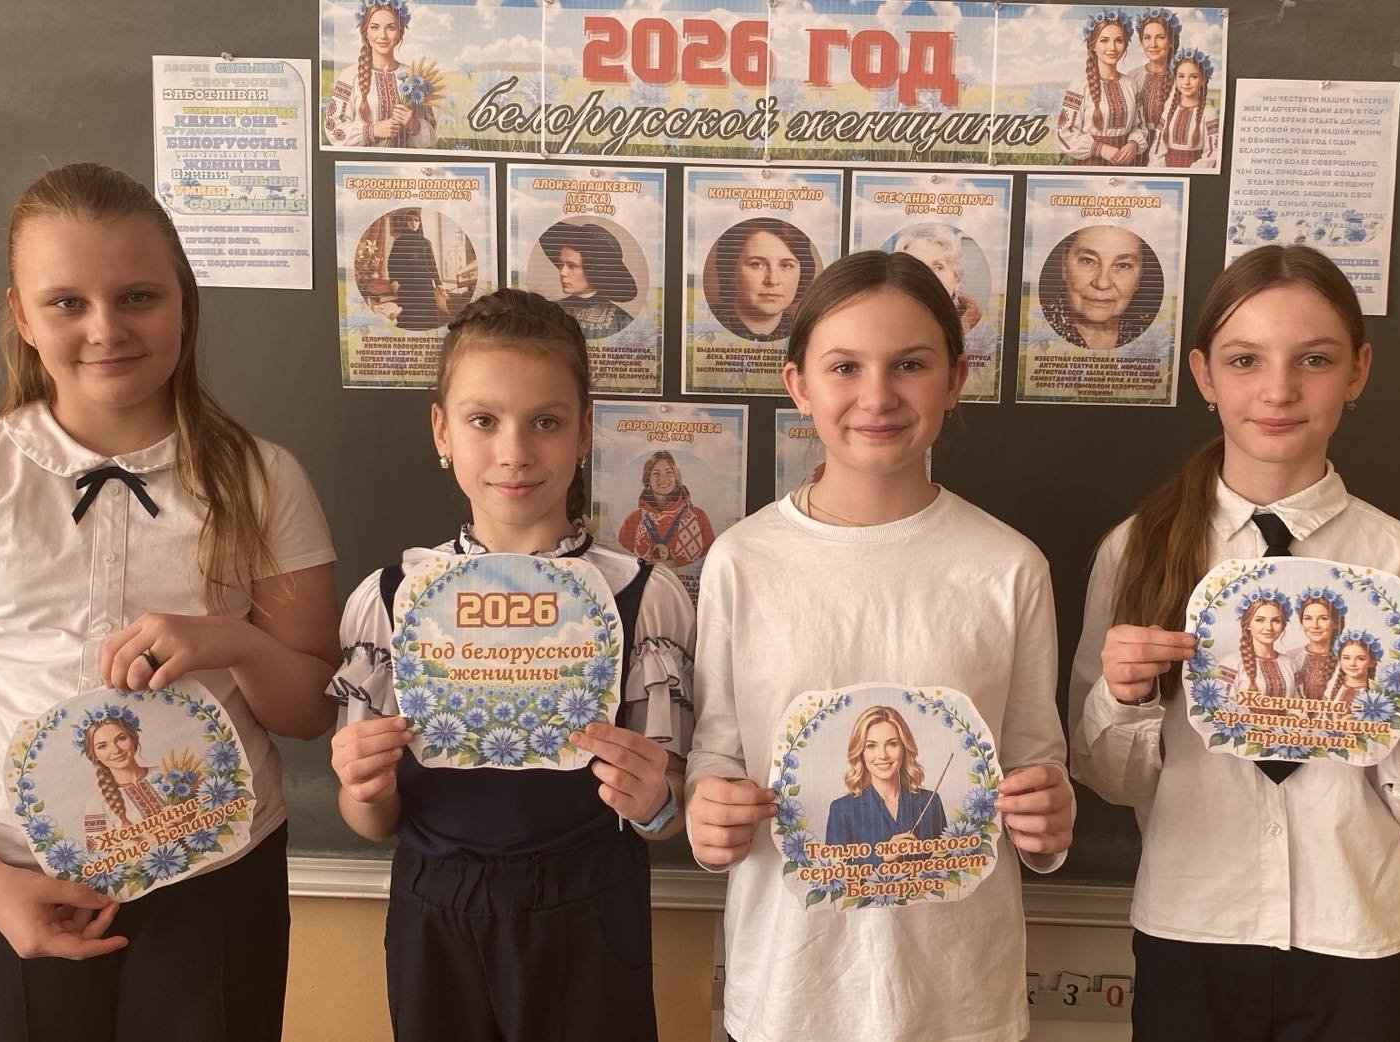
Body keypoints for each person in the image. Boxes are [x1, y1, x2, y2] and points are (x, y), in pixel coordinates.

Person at [0, 162, 339, 1042]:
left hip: (214, 875)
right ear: (22, 316)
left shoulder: (263, 479)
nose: (105, 329)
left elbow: (314, 708)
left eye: (137, 297)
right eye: (66, 303)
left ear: (184, 304)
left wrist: (233, 641)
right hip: (7, 875)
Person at [1069, 244, 1400, 1042]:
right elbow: (1110, 779)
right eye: (1245, 359)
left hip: (1358, 933)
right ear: (1204, 376)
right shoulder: (1138, 550)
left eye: (1313, 360)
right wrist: (1124, 697)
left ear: (1357, 372)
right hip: (1193, 926)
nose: (1279, 389)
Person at [686, 251, 1074, 1042]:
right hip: (789, 994)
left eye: (910, 365)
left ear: (954, 379)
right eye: (844, 367)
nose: (877, 395)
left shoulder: (1009, 567)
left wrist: (1049, 815)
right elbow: (717, 754)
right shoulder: (742, 561)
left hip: (958, 1000)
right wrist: (707, 813)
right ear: (799, 385)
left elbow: (1036, 763)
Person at [326, 289, 695, 1042]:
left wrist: (656, 800)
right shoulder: (393, 601)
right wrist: (362, 787)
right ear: (442, 430)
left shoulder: (641, 597)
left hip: (589, 902)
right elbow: (370, 820)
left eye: (546, 422)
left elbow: (667, 814)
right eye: (483, 420)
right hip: (436, 906)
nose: (515, 452)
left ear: (585, 431)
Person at [823, 704, 946, 863]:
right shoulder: (842, 810)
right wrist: (882, 856)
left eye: (892, 744)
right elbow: (835, 873)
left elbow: (947, 866)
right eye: (871, 746)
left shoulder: (930, 802)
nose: (882, 755)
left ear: (904, 748)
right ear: (860, 752)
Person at [323, 0, 439, 149]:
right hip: (361, 162)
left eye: (391, 27)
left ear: (400, 32)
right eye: (374, 27)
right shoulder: (349, 75)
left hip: (403, 162)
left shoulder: (414, 78)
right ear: (365, 32)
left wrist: (413, 125)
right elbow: (333, 128)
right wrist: (373, 131)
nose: (383, 35)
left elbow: (431, 135)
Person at [1042, 224, 1158, 350]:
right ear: (1064, 265)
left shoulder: (1150, 334)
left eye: (1123, 265)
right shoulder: (1036, 326)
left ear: (1140, 276)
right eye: (1088, 261)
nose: (1103, 283)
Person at [1057, 11, 1148, 166]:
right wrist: (1100, 149)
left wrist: (1133, 144)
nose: (1112, 47)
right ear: (1093, 45)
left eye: (1119, 40)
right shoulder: (1079, 85)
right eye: (1104, 40)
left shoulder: (1131, 84)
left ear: (1125, 44)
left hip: (1125, 164)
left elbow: (1139, 126)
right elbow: (1064, 134)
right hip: (1089, 166)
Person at [711, 217, 817, 342]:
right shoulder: (705, 323)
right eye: (756, 264)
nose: (772, 280)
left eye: (786, 265)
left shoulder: (808, 331)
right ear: (730, 271)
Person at [78, 710, 167, 846]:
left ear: (133, 738)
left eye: (121, 738)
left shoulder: (168, 773)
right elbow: (98, 852)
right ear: (95, 755)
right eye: (102, 746)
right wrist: (149, 844)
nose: (116, 750)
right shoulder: (96, 805)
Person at [539, 220, 638, 340]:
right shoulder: (549, 312)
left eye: (572, 266)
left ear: (593, 269)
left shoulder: (622, 321)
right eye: (561, 264)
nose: (562, 272)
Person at [616, 450, 716, 567]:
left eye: (669, 472)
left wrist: (677, 564)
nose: (663, 478)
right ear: (647, 480)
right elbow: (622, 563)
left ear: (676, 478)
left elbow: (711, 560)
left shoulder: (698, 517)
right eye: (656, 473)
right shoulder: (633, 520)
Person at [894, 222, 983, 333]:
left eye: (938, 268)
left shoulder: (982, 333)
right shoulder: (885, 324)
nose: (928, 277)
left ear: (956, 279)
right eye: (916, 266)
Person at [1216, 590, 1296, 704]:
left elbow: (1300, 705)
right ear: (1248, 624)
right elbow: (1221, 706)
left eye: (1276, 621)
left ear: (1283, 625)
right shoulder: (1230, 663)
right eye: (1260, 620)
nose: (1268, 627)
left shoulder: (1291, 664)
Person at [1148, 49, 1220, 169]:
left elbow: (1212, 153)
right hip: (1167, 172)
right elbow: (1157, 149)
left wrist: (1191, 173)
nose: (1186, 82)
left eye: (1194, 77)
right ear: (1175, 79)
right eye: (1181, 76)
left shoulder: (1209, 113)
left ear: (1203, 80)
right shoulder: (1168, 111)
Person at [1129, 9, 1181, 156]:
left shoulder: (1182, 79)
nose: (1153, 44)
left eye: (1160, 37)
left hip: (1168, 154)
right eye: (1147, 38)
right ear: (1141, 41)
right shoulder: (1132, 77)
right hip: (1135, 152)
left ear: (1171, 41)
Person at [386, 209, 444, 331]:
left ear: (420, 223)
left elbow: (432, 264)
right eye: (410, 220)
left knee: (426, 317)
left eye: (416, 220)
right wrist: (394, 279)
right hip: (407, 285)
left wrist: (438, 283)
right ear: (406, 222)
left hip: (424, 285)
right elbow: (392, 262)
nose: (413, 223)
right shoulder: (399, 242)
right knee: (409, 316)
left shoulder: (426, 243)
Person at [1289, 588, 1346, 700]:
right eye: (1308, 618)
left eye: (1323, 618)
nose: (1315, 625)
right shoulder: (1291, 657)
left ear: (1336, 623)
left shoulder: (1348, 660)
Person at [1323, 631, 1382, 709]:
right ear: (1339, 660)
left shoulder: (1376, 693)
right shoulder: (1330, 690)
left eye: (1360, 659)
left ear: (1372, 662)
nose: (1352, 663)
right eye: (1346, 658)